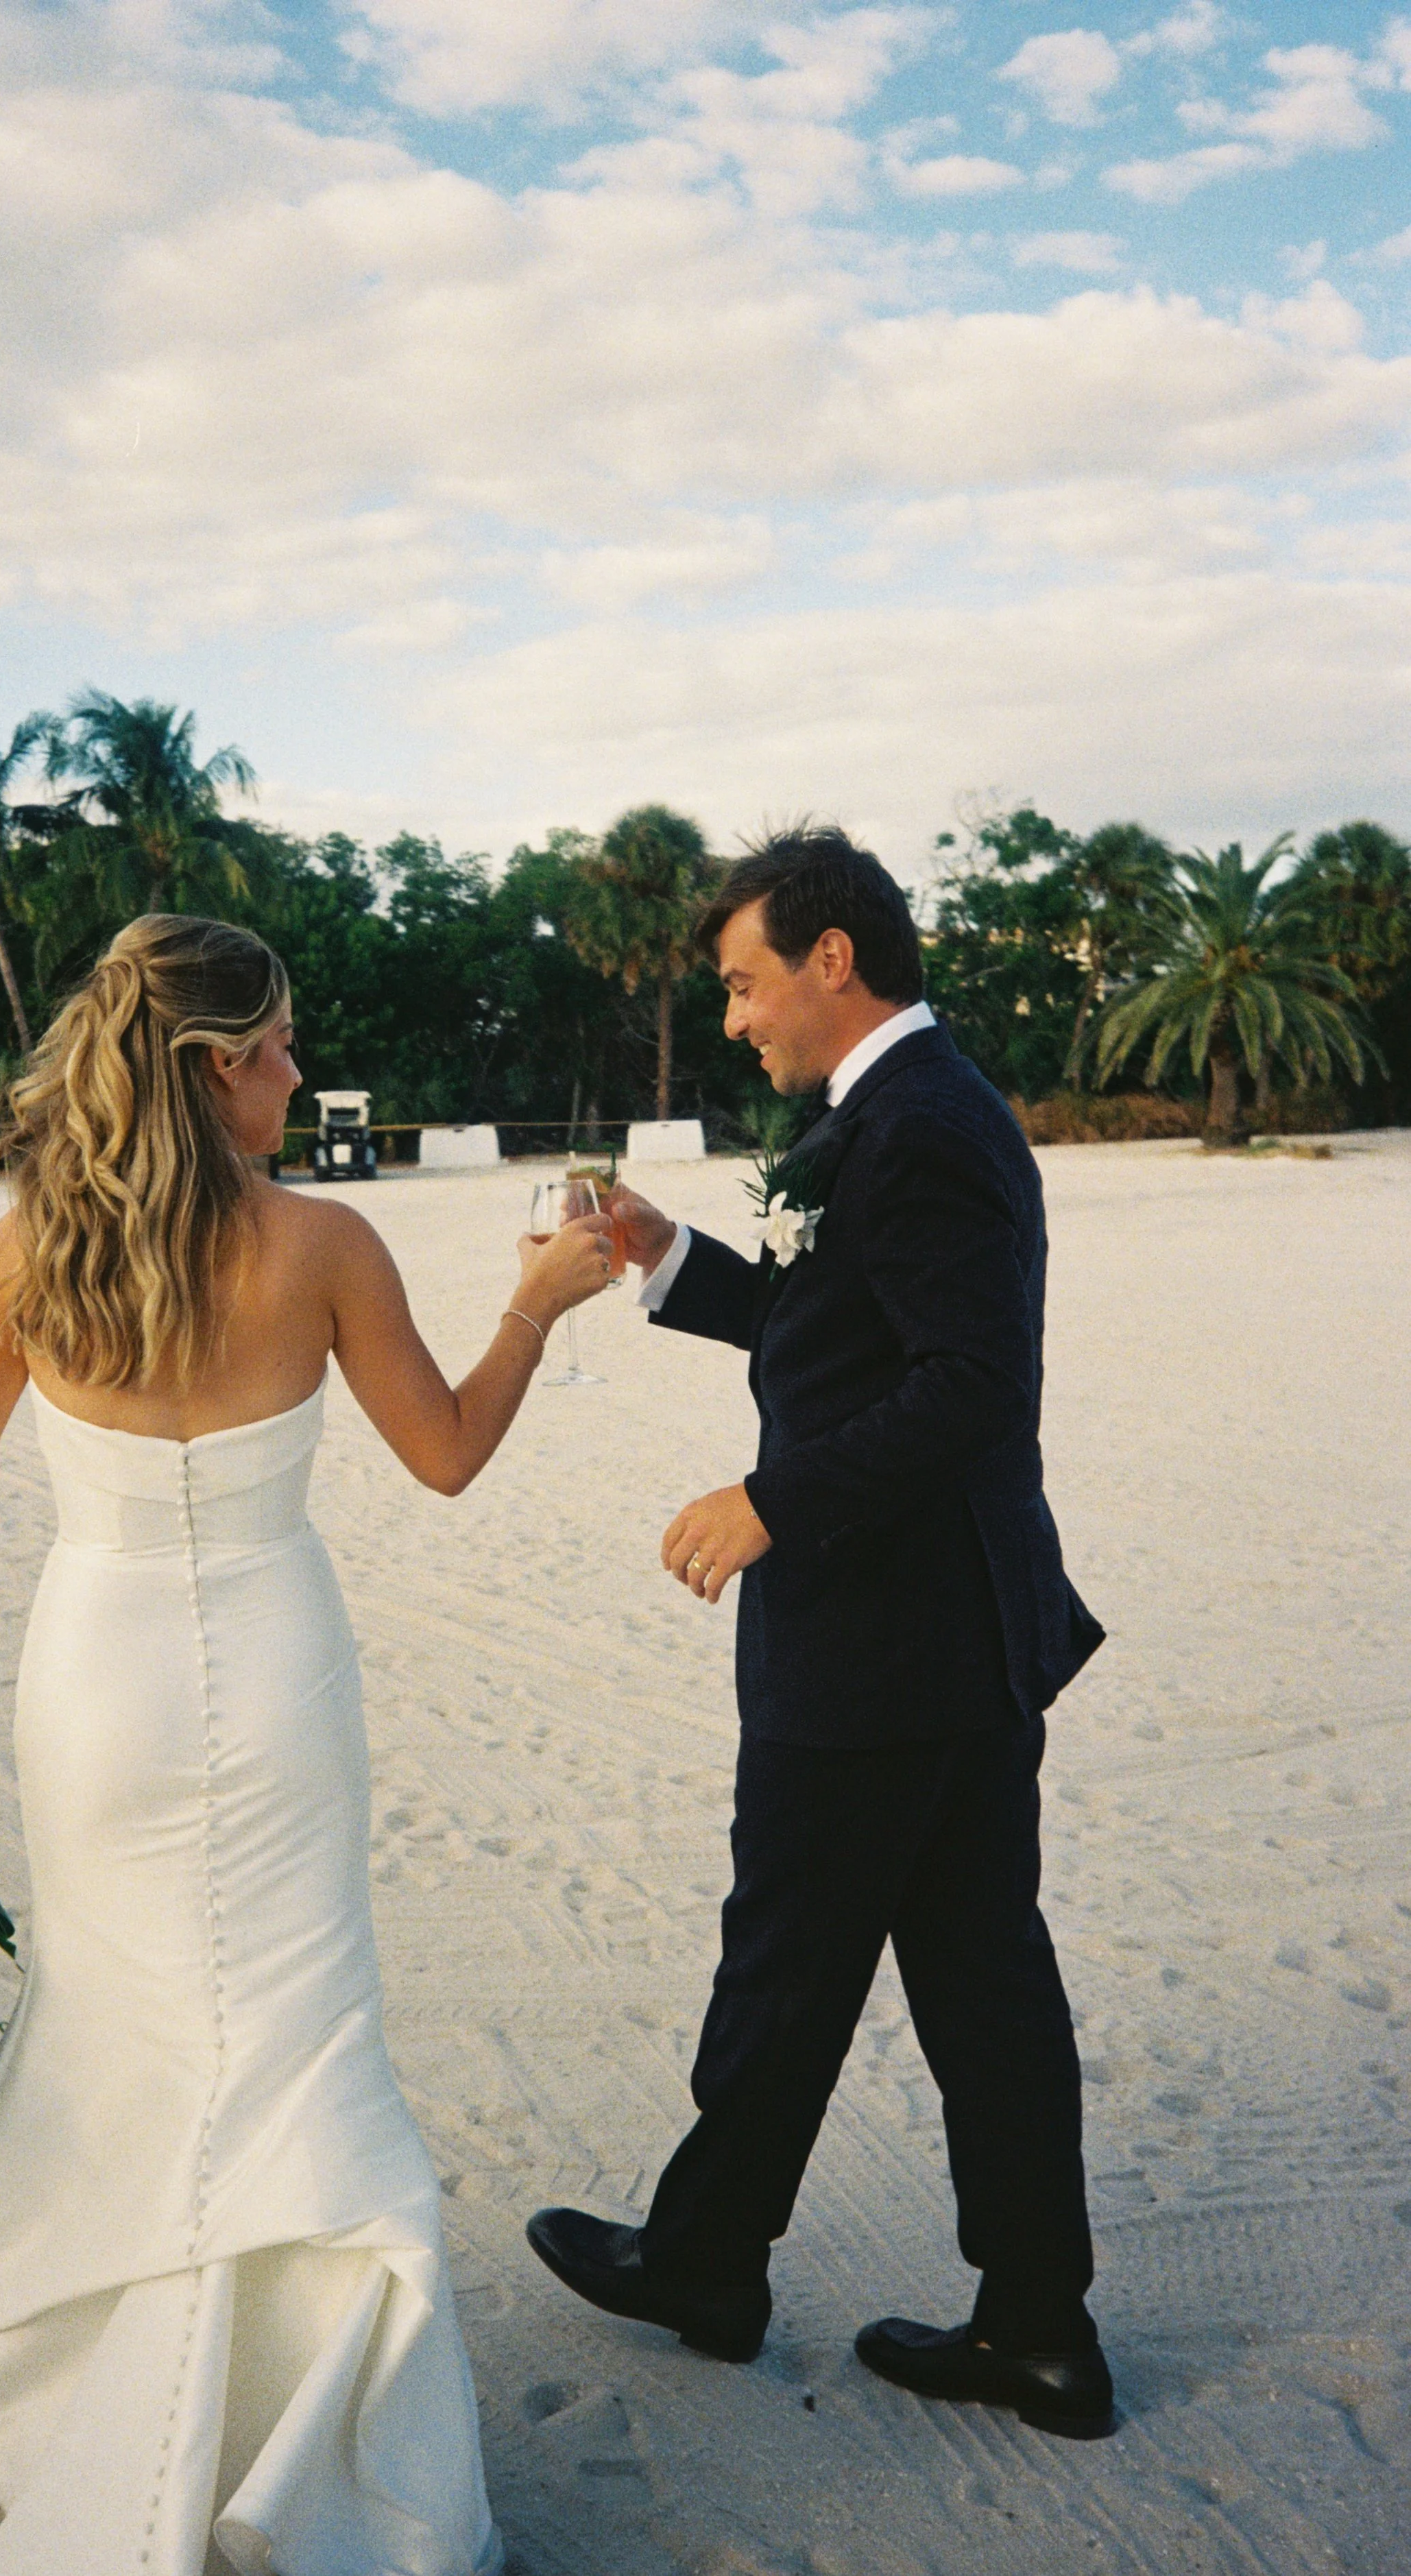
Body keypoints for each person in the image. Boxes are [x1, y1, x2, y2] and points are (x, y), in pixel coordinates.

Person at [0, 913, 612, 2575]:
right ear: (215, 1067)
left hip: (98, 1687)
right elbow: (445, 1454)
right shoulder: (323, 1245)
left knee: (128, 2028)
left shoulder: (32, 1254)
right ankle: (282, 2419)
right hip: (277, 1671)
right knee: (298, 2036)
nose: (300, 1076)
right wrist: (533, 1307)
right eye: (281, 1048)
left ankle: (123, 2389)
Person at [526, 828, 1117, 2440]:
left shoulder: (917, 1124)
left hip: (879, 1642)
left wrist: (771, 1503)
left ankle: (709, 2264)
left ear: (830, 959)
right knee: (983, 1988)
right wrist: (668, 1263)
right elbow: (840, 1328)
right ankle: (1037, 2329)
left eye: (741, 982)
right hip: (956, 1641)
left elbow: (969, 1385)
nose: (733, 1021)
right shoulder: (904, 1112)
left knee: (789, 1960)